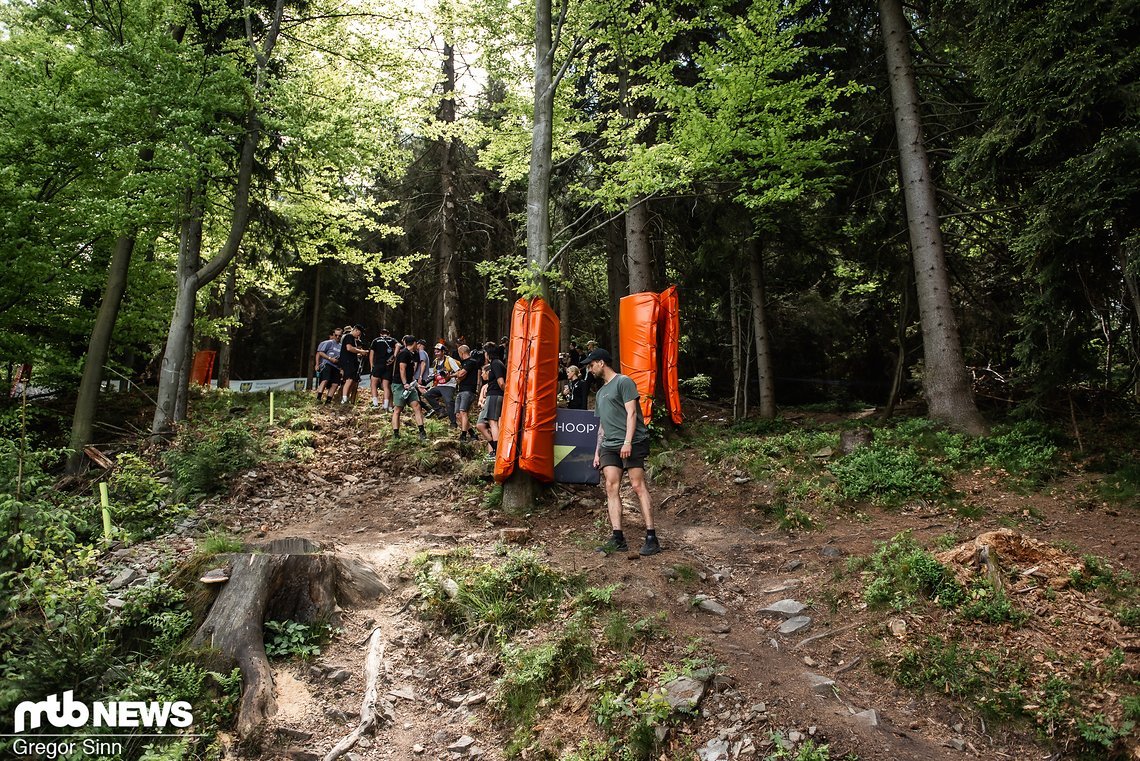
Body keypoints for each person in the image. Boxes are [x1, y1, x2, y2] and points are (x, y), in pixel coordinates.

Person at [586, 348, 660, 556]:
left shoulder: (623, 382)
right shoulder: (600, 392)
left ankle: (652, 537)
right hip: (609, 444)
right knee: (611, 486)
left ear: (601, 363)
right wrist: (597, 451)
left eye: (591, 365)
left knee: (637, 485)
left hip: (633, 441)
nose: (590, 369)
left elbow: (632, 413)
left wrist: (627, 442)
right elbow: (602, 425)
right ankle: (618, 538)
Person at [475, 341, 507, 461]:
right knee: (480, 424)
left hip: (495, 395)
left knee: (493, 422)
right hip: (490, 395)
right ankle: (495, 448)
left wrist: (507, 395)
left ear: (487, 353)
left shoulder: (496, 363)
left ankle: (498, 449)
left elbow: (501, 382)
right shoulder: (495, 363)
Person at [392, 334, 427, 440]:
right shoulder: (404, 354)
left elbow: (410, 372)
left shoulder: (412, 354)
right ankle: (396, 434)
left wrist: (416, 385)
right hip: (399, 384)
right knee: (398, 409)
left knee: (417, 406)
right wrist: (404, 383)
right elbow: (402, 369)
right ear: (414, 343)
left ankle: (422, 431)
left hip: (410, 385)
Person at [422, 342, 461, 426]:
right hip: (439, 385)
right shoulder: (436, 361)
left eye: (438, 351)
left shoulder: (449, 360)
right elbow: (434, 374)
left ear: (443, 352)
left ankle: (453, 422)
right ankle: (440, 410)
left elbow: (458, 372)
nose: (436, 354)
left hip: (449, 385)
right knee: (427, 395)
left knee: (448, 401)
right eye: (435, 352)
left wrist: (449, 376)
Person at [453, 344, 480, 442]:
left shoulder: (471, 362)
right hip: (461, 390)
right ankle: (472, 433)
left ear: (462, 353)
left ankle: (463, 435)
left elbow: (461, 374)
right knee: (458, 414)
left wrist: (452, 375)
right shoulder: (464, 363)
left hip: (468, 390)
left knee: (463, 412)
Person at [339, 324, 369, 404]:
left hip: (352, 361)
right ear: (356, 330)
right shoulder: (349, 337)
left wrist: (359, 353)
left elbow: (353, 350)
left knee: (352, 380)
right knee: (349, 379)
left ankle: (346, 397)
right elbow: (349, 348)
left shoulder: (353, 339)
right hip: (347, 361)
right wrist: (361, 351)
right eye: (359, 333)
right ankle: (344, 398)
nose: (359, 335)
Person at [369, 328, 397, 410]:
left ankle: (375, 403)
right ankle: (386, 405)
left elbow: (371, 353)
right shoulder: (392, 340)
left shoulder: (376, 340)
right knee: (386, 386)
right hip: (388, 365)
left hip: (378, 364)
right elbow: (398, 346)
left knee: (373, 383)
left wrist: (371, 365)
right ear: (388, 334)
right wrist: (394, 357)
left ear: (380, 334)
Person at [314, 327, 343, 404]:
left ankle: (328, 400)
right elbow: (320, 352)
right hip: (327, 363)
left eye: (339, 336)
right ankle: (318, 398)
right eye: (336, 335)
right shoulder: (328, 343)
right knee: (325, 380)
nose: (337, 337)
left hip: (336, 366)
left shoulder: (341, 346)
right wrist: (328, 359)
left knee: (335, 383)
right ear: (333, 335)